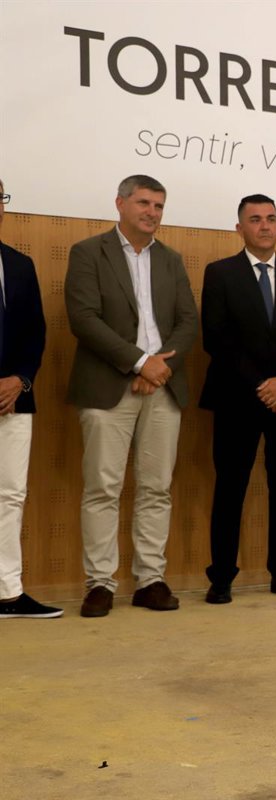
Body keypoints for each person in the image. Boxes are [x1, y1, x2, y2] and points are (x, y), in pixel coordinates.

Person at [64, 174, 199, 617]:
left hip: (163, 387)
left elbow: (187, 322)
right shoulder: (88, 252)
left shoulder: (171, 259)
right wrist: (141, 362)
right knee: (103, 487)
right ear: (120, 203)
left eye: (158, 206)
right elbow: (84, 319)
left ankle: (150, 580)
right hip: (108, 386)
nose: (152, 212)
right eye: (143, 203)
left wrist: (158, 369)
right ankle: (100, 584)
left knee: (156, 488)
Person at [199, 195, 276, 604]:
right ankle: (221, 577)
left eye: (271, 218)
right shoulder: (220, 273)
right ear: (240, 228)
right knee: (230, 489)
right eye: (255, 219)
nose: (265, 226)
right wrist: (263, 386)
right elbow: (217, 338)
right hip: (236, 398)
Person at [0, 179, 60, 619]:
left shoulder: (19, 264)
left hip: (13, 399)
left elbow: (34, 332)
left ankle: (7, 593)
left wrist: (20, 379)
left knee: (10, 496)